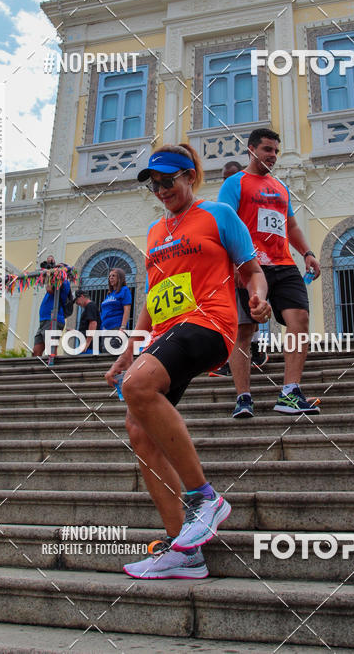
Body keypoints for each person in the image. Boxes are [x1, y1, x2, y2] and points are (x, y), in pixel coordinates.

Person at [105, 143, 270, 579]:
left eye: (168, 181)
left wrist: (257, 297)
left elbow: (252, 269)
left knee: (140, 389)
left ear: (190, 176)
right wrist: (127, 353)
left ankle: (205, 498)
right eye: (154, 185)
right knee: (139, 430)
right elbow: (153, 299)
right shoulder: (155, 233)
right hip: (166, 334)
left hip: (211, 325)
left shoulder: (218, 215)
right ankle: (184, 550)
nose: (161, 190)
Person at [218, 128, 321, 418]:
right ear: (251, 150)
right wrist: (233, 266)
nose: (273, 156)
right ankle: (243, 397)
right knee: (245, 332)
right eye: (267, 150)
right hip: (249, 266)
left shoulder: (280, 186)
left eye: (276, 150)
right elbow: (224, 226)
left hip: (284, 264)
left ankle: (290, 393)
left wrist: (308, 253)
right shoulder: (235, 183)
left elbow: (292, 226)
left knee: (299, 319)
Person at [210, 160, 268, 380]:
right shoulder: (224, 206)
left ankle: (256, 353)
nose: (228, 182)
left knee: (249, 313)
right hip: (232, 268)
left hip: (251, 265)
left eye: (232, 177)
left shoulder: (250, 201)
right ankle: (237, 359)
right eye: (225, 178)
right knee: (239, 316)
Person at [32, 255, 71, 364]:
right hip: (44, 319)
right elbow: (43, 279)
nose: (55, 270)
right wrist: (48, 266)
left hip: (53, 319)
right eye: (55, 268)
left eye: (59, 268)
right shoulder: (54, 280)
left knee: (51, 351)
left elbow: (49, 289)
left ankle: (54, 372)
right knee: (36, 352)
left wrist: (50, 273)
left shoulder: (65, 282)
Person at [100, 268, 132, 349]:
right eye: (110, 276)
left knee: (113, 355)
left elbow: (127, 309)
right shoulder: (109, 294)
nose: (111, 278)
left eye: (113, 276)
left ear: (120, 278)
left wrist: (123, 327)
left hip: (117, 328)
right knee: (105, 356)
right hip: (106, 330)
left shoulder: (124, 290)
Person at [74, 289, 99, 354]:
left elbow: (93, 323)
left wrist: (87, 343)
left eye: (77, 300)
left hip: (90, 347)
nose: (77, 303)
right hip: (88, 346)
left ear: (82, 296)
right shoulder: (88, 307)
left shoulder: (90, 306)